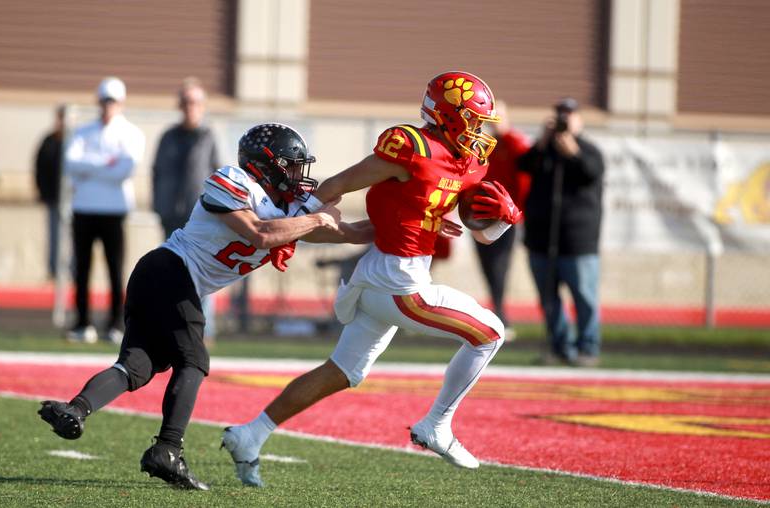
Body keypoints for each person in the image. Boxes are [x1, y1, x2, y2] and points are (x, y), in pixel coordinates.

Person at [221, 71, 523, 487]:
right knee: (490, 334)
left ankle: (250, 435)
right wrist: (293, 225)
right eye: (473, 121)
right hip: (398, 280)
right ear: (449, 116)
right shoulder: (410, 147)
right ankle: (437, 424)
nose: (480, 132)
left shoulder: (470, 161)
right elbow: (338, 184)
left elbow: (480, 231)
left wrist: (501, 222)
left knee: (342, 371)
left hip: (385, 276)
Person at [38, 122, 373, 490]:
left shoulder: (290, 209)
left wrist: (415, 226)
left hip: (168, 282)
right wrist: (314, 218)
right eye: (291, 165)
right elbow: (260, 234)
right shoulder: (232, 180)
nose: (297, 174)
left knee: (137, 364)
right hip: (169, 270)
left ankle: (75, 409)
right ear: (266, 165)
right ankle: (167, 449)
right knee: (194, 360)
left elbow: (353, 233)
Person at [517, 98, 605, 367]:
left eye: (569, 116)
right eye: (560, 116)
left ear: (579, 120)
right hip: (542, 240)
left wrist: (573, 153)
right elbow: (523, 165)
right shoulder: (545, 151)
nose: (564, 121)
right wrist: (543, 141)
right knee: (548, 299)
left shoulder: (589, 151)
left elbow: (590, 173)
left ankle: (587, 348)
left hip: (577, 242)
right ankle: (559, 347)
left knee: (584, 298)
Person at [63, 77, 145, 344]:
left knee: (115, 269)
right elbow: (71, 163)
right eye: (104, 100)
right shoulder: (83, 132)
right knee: (82, 269)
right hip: (84, 209)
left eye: (112, 101)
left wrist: (90, 168)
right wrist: (105, 165)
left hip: (114, 210)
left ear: (121, 103)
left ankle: (115, 324)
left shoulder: (131, 133)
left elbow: (124, 170)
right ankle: (82, 322)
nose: (108, 106)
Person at [152, 77, 220, 341]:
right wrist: (159, 205)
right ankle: (171, 326)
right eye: (185, 102)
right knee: (170, 270)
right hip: (170, 215)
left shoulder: (208, 137)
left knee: (202, 271)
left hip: (201, 217)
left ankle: (204, 329)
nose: (189, 107)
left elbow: (219, 174)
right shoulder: (168, 136)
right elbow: (156, 172)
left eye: (194, 102)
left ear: (201, 106)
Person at [471, 103, 531, 329]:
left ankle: (500, 312)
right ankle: (497, 309)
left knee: (500, 264)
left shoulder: (512, 141)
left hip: (505, 216)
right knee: (487, 263)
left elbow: (523, 158)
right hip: (481, 213)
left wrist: (504, 130)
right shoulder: (486, 145)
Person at [34, 105, 67, 280]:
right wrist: (42, 191)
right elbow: (40, 167)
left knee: (71, 238)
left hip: (72, 200)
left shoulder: (75, 140)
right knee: (54, 235)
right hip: (53, 197)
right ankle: (54, 270)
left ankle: (70, 270)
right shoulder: (49, 141)